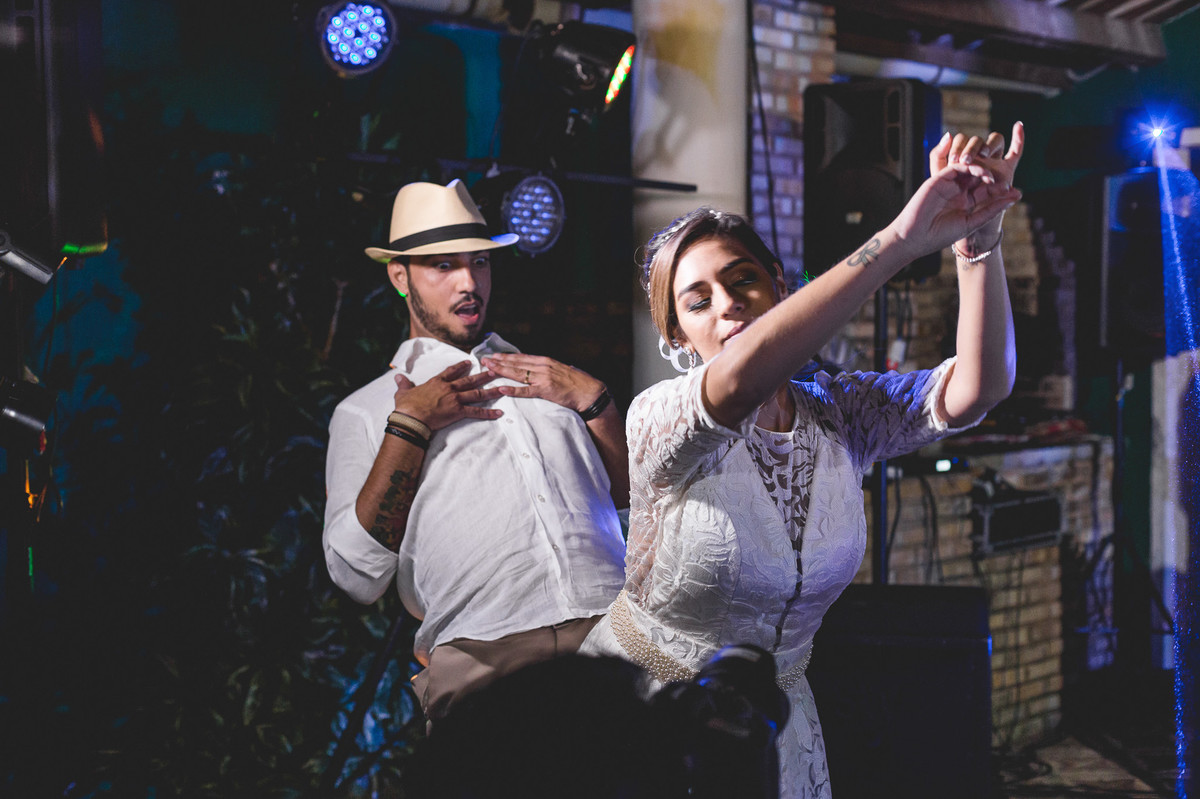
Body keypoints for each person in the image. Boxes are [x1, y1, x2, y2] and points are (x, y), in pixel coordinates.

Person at [578, 123, 1026, 798]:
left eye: (743, 280)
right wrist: (898, 241)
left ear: (779, 284)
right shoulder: (660, 418)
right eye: (698, 301)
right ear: (676, 334)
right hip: (647, 713)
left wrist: (977, 247)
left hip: (773, 721)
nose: (727, 305)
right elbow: (740, 382)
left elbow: (976, 390)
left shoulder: (838, 412)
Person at [322, 178, 628, 722]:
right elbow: (355, 574)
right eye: (443, 265)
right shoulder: (368, 411)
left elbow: (634, 510)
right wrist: (410, 425)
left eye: (480, 263)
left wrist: (598, 404)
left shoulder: (551, 382)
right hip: (486, 662)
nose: (469, 281)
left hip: (613, 642)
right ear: (400, 277)